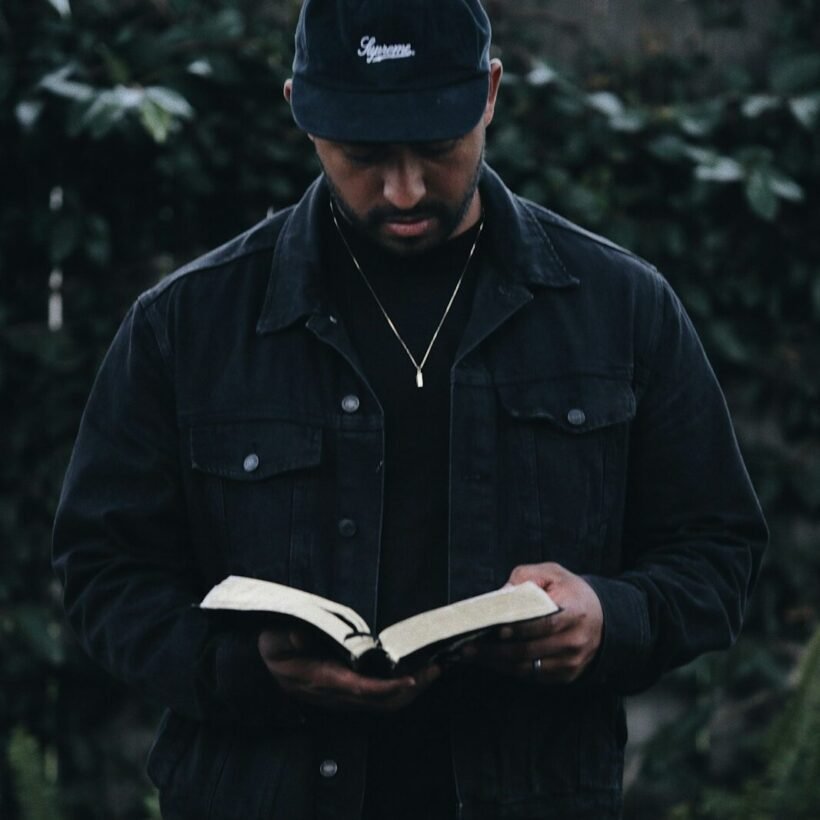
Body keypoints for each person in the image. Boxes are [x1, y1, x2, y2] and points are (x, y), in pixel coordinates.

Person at [52, 0, 767, 817]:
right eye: (362, 155)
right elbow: (104, 570)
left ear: (489, 94)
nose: (404, 188)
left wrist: (612, 618)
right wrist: (246, 669)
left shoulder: (621, 308)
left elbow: (717, 547)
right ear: (300, 110)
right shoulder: (186, 324)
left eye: (436, 146)